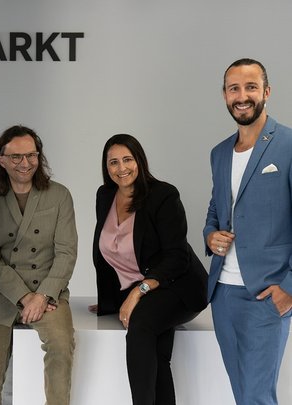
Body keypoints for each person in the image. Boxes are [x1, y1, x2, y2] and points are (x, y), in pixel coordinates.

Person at [90, 134, 208, 405]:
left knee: (141, 326)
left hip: (178, 286)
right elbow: (108, 250)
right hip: (144, 291)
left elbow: (178, 257)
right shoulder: (105, 195)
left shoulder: (163, 195)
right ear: (106, 167)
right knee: (158, 355)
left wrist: (137, 293)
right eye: (113, 162)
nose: (122, 168)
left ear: (140, 161)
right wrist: (110, 300)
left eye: (128, 159)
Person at [204, 58, 292, 405]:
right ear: (225, 96)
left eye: (250, 87)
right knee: (243, 395)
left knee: (256, 397)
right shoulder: (220, 153)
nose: (242, 96)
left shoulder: (287, 145)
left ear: (266, 92)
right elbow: (216, 210)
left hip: (265, 295)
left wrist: (289, 288)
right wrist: (210, 235)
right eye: (234, 88)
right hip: (223, 294)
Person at [0, 125, 77, 405]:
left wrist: (42, 296)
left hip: (48, 293)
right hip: (2, 295)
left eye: (32, 155)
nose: (25, 163)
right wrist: (24, 297)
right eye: (16, 157)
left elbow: (67, 252)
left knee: (61, 349)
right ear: (1, 159)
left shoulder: (59, 195)